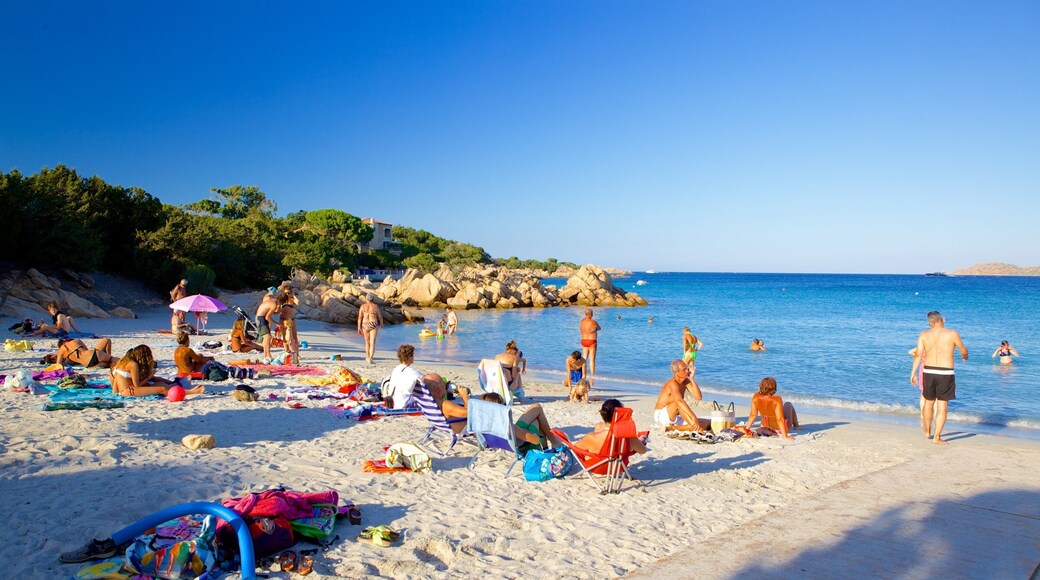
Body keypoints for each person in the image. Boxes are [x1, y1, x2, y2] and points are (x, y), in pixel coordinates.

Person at [427, 373, 561, 447]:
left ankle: (552, 442)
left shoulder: (433, 404)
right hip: (515, 439)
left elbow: (472, 413)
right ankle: (553, 441)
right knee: (536, 410)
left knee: (536, 413)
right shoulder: (446, 405)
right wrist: (464, 396)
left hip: (488, 435)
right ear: (438, 389)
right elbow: (470, 412)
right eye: (445, 385)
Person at [910, 311, 968, 444]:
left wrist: (912, 373)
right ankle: (936, 437)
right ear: (943, 319)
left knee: (928, 403)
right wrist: (965, 356)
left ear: (930, 322)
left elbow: (918, 354)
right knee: (942, 406)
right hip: (945, 373)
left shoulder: (924, 335)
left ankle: (927, 430)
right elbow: (963, 350)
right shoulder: (952, 334)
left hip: (928, 371)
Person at [111, 345, 203, 397]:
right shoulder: (133, 364)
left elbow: (113, 376)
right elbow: (137, 385)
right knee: (162, 389)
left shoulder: (123, 361)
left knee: (158, 382)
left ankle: (174, 383)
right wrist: (149, 376)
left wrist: (115, 391)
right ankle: (191, 392)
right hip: (128, 390)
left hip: (124, 389)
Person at [574, 399, 648, 455]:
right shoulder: (628, 437)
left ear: (603, 414)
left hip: (596, 468)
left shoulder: (592, 437)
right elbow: (643, 451)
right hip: (617, 468)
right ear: (621, 415)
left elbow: (574, 449)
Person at [653, 360, 710, 432]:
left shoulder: (686, 381)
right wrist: (693, 418)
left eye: (687, 368)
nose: (687, 371)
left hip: (674, 416)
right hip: (662, 416)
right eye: (684, 369)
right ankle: (695, 427)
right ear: (676, 373)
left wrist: (692, 378)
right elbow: (679, 401)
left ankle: (672, 428)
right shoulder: (672, 383)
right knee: (679, 402)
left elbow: (698, 397)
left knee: (706, 423)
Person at [387, 344, 423, 409]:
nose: (413, 357)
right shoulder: (412, 372)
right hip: (404, 404)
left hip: (394, 402)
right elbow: (425, 379)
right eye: (412, 355)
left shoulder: (396, 369)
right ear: (408, 357)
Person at [357, 293, 383, 364]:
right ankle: (371, 358)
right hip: (373, 323)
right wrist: (381, 323)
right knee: (372, 343)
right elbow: (379, 316)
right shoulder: (375, 306)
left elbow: (360, 317)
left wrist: (359, 327)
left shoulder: (362, 306)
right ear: (373, 299)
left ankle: (367, 357)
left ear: (366, 299)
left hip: (365, 324)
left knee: (367, 343)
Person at [255, 290, 279, 360]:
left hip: (261, 318)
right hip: (261, 318)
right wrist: (277, 324)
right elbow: (268, 317)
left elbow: (268, 317)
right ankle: (268, 355)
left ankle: (266, 355)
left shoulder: (267, 300)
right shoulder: (272, 303)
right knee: (267, 337)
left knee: (267, 337)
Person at [579, 308, 601, 379]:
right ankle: (592, 376)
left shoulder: (581, 321)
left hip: (583, 340)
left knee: (584, 358)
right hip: (592, 341)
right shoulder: (593, 322)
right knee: (592, 359)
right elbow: (599, 328)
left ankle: (583, 375)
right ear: (591, 314)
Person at [279, 293, 299, 365]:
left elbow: (298, 302)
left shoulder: (292, 299)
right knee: (284, 337)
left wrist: (293, 295)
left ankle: (297, 353)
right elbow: (277, 310)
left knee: (294, 336)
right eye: (286, 292)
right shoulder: (281, 300)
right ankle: (287, 351)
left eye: (289, 292)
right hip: (283, 320)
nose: (288, 293)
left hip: (292, 319)